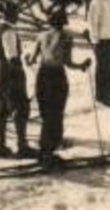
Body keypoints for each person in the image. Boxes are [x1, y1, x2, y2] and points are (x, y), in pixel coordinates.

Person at [28, 9, 91, 168]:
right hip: (56, 77)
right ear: (63, 23)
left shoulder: (41, 36)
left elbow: (31, 59)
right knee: (55, 113)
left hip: (42, 76)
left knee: (45, 113)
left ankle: (46, 150)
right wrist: (83, 65)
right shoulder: (65, 37)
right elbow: (68, 63)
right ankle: (48, 153)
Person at [0, 2, 34, 159]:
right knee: (20, 106)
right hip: (8, 70)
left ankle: (0, 145)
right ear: (11, 15)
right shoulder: (9, 31)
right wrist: (20, 72)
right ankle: (22, 146)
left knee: (1, 105)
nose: (18, 17)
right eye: (16, 14)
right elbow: (11, 56)